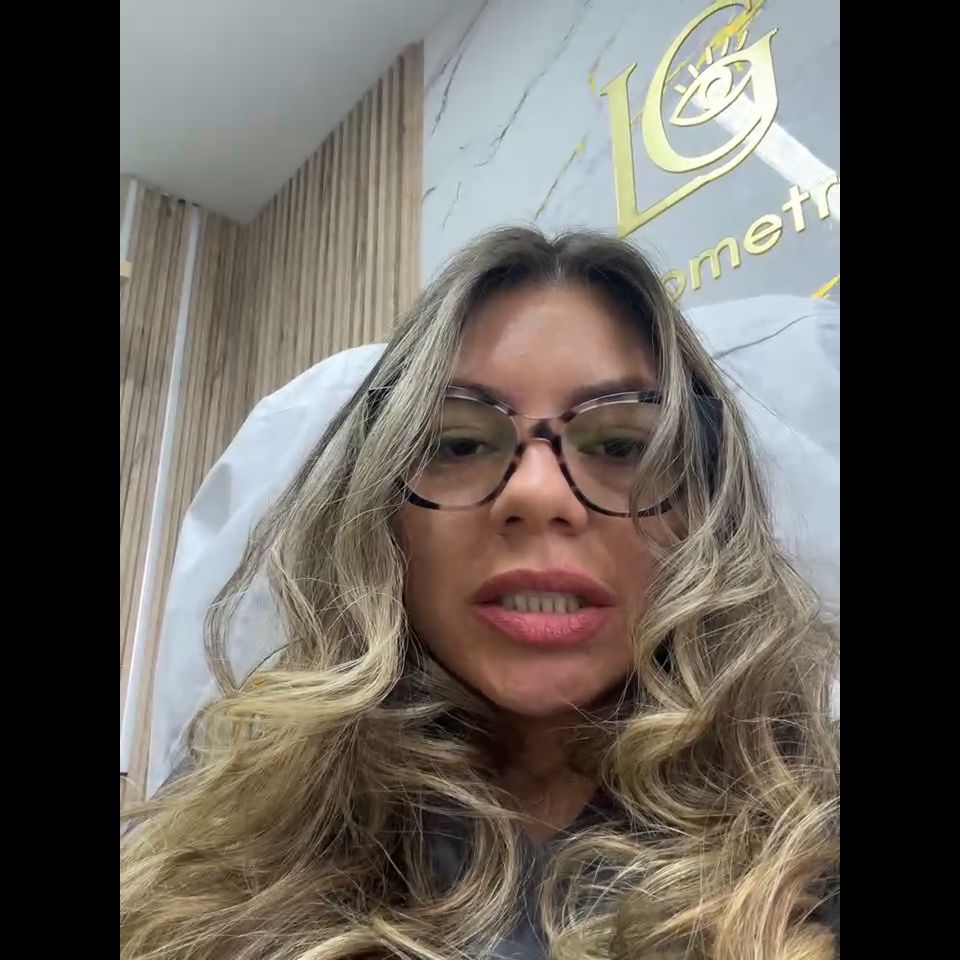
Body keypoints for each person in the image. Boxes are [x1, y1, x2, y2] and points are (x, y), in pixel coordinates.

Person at [120, 227, 840, 960]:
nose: (537, 493)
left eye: (623, 446)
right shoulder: (218, 855)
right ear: (380, 516)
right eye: (459, 444)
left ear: (705, 513)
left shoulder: (815, 836)